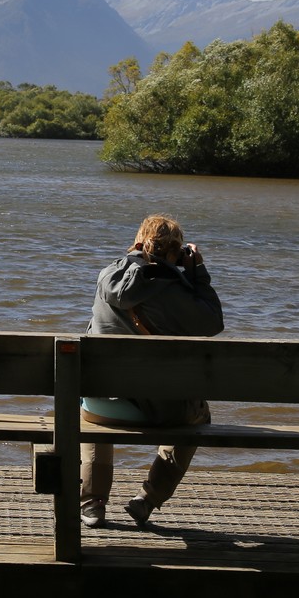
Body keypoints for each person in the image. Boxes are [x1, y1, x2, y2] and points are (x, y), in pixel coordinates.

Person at [80, 213, 224, 529]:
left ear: (138, 244)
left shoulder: (106, 277)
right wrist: (197, 273)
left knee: (89, 408)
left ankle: (92, 503)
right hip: (162, 410)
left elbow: (133, 271)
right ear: (177, 252)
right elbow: (214, 323)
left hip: (102, 407)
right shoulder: (176, 293)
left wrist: (134, 255)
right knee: (200, 414)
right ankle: (148, 499)